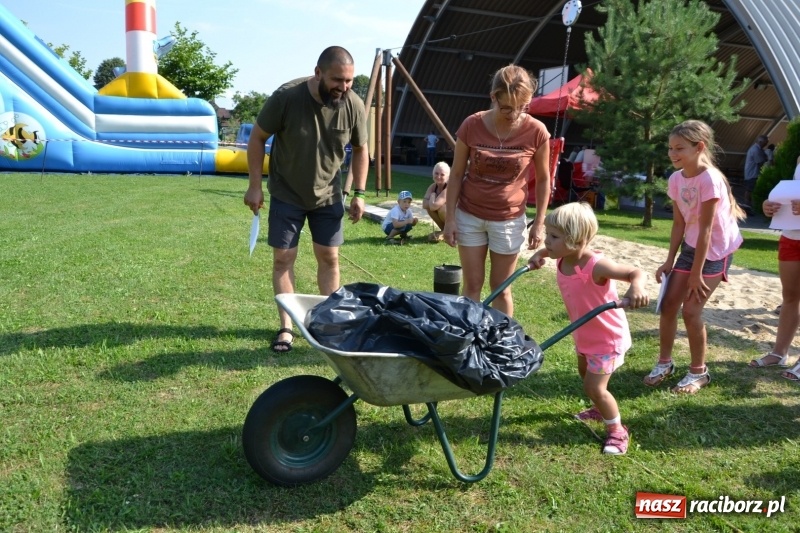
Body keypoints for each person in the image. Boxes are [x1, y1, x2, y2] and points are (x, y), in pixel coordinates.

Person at [243, 46, 369, 354]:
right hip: (287, 192)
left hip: (329, 195)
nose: (344, 87)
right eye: (338, 80)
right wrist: (255, 186)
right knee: (283, 259)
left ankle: (330, 324)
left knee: (330, 257)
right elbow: (257, 137)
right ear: (318, 73)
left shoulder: (353, 104)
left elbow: (362, 149)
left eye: (349, 80)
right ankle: (287, 327)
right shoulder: (286, 97)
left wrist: (360, 193)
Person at [528, 202, 649, 455]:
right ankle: (597, 410)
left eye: (553, 236)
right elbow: (549, 252)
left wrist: (636, 287)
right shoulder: (563, 256)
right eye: (547, 234)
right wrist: (540, 254)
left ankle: (617, 431)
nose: (546, 240)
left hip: (606, 338)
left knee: (594, 387)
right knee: (584, 372)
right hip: (584, 335)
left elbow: (635, 272)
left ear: (575, 240)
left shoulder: (596, 265)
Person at [644, 120, 746, 393]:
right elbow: (679, 224)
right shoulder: (676, 178)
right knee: (667, 305)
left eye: (679, 148)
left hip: (716, 250)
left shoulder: (710, 179)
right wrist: (669, 260)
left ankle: (699, 372)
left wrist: (696, 274)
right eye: (669, 148)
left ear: (699, 147)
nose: (672, 153)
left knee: (691, 312)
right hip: (692, 246)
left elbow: (707, 229)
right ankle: (665, 363)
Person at [442, 64, 551, 317]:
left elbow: (544, 179)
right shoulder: (471, 125)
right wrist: (449, 219)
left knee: (501, 289)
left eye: (522, 107)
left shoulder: (537, 131)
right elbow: (456, 174)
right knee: (472, 287)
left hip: (509, 219)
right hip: (470, 216)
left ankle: (502, 346)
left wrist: (539, 222)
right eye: (506, 108)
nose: (514, 114)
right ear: (493, 97)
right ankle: (470, 340)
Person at [750, 154, 800, 381]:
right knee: (790, 297)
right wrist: (768, 205)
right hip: (790, 236)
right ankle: (779, 353)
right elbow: (789, 194)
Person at [422, 161, 450, 242]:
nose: (438, 176)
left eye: (442, 174)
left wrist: (432, 196)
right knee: (431, 209)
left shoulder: (449, 187)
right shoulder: (433, 186)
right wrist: (433, 202)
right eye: (436, 173)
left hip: (457, 220)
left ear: (448, 176)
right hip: (448, 218)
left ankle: (448, 232)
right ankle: (444, 231)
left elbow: (434, 206)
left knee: (442, 208)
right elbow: (424, 204)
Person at [743, 134, 768, 204]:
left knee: (750, 190)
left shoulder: (757, 149)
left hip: (752, 173)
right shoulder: (755, 150)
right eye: (765, 143)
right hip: (752, 173)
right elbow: (760, 162)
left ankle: (748, 204)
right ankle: (747, 204)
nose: (766, 145)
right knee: (749, 190)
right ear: (760, 141)